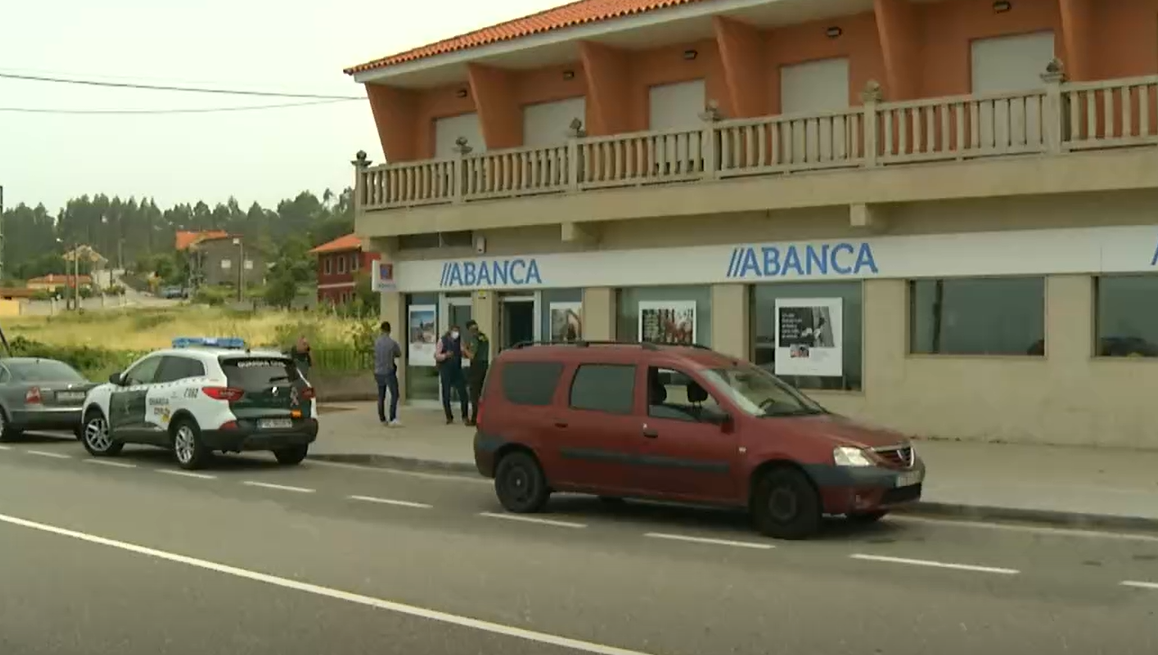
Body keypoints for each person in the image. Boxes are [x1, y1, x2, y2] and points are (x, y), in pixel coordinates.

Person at [434, 324, 468, 425]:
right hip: (446, 370)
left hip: (457, 370)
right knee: (446, 394)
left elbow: (463, 351)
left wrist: (464, 352)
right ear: (450, 331)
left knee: (463, 393)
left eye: (457, 331)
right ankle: (449, 417)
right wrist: (445, 355)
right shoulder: (442, 340)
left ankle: (465, 416)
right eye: (454, 331)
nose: (456, 334)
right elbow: (436, 355)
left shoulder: (460, 340)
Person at [462, 319, 490, 426]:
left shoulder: (474, 339)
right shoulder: (484, 337)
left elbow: (472, 356)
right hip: (484, 366)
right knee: (483, 394)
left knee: (474, 394)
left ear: (469, 329)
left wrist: (464, 349)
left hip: (476, 367)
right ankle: (484, 418)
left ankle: (474, 419)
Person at [374, 321, 402, 426]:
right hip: (389, 371)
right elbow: (399, 354)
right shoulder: (392, 343)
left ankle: (382, 418)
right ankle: (392, 417)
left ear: (381, 330)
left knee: (381, 395)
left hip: (378, 371)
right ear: (389, 330)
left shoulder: (376, 342)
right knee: (394, 394)